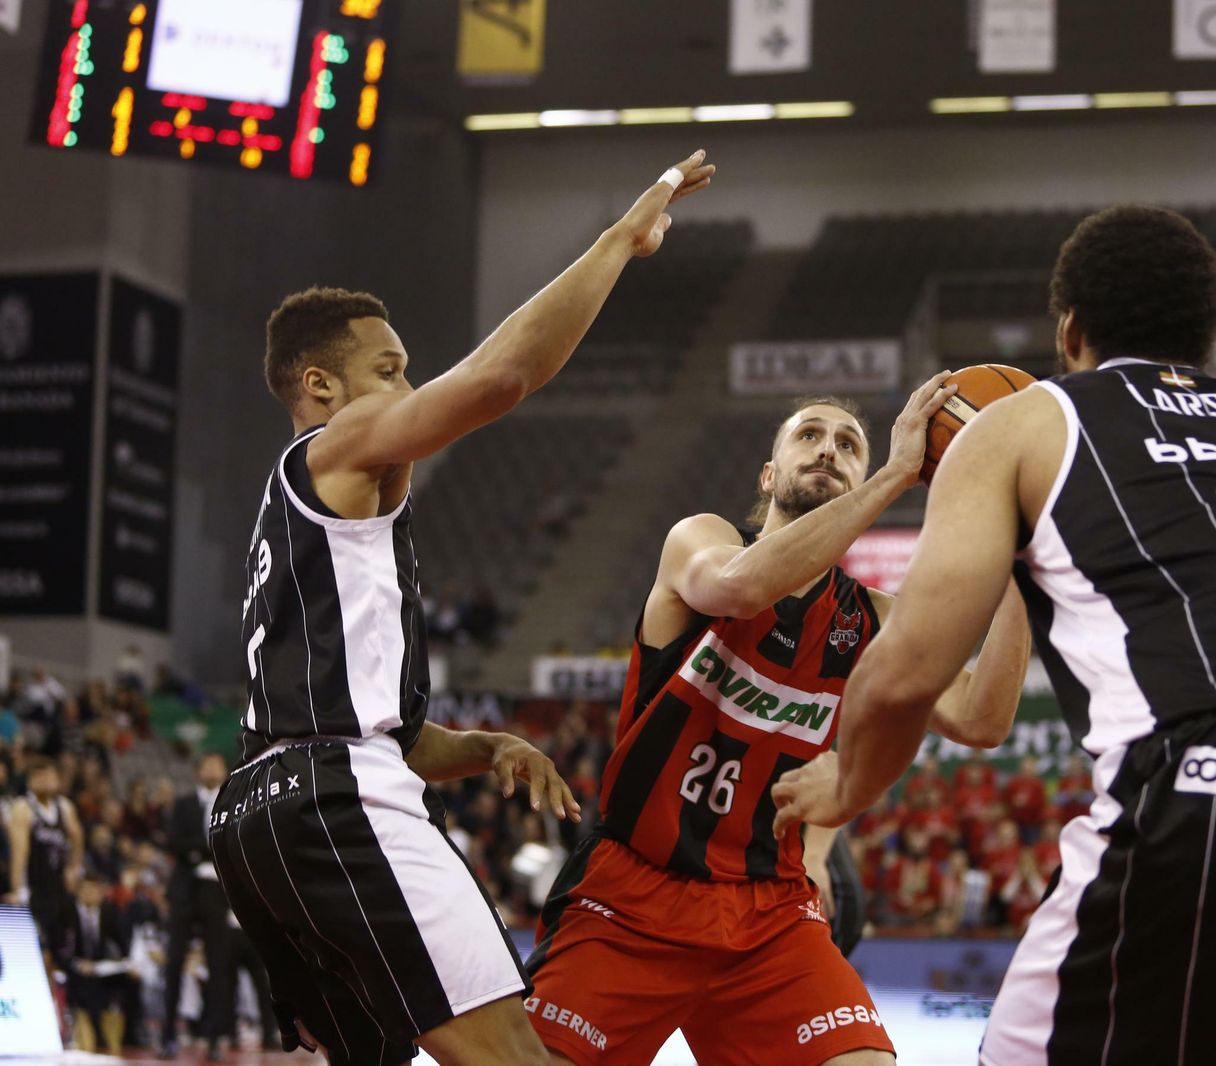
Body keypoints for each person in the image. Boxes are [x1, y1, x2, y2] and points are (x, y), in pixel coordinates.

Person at [773, 205, 1216, 1065]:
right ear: (1206, 335)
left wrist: (846, 786)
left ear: (1070, 330)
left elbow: (902, 675)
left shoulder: (1030, 420)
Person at [208, 148, 716, 1066]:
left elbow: (380, 730)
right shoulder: (339, 444)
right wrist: (618, 241)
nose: (410, 392)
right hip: (334, 797)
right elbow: (497, 381)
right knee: (516, 1056)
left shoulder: (297, 518)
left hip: (256, 811)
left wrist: (484, 747)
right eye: (391, 370)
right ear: (321, 386)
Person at [524, 387, 1032, 1065]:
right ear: (769, 475)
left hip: (769, 913)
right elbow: (739, 589)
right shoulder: (701, 541)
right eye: (809, 436)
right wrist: (893, 475)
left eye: (849, 445)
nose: (828, 450)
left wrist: (1024, 564)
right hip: (632, 896)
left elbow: (981, 718)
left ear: (856, 479)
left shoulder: (870, 620)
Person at [160, 751, 233, 1060]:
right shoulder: (184, 804)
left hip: (216, 891)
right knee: (175, 961)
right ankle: (167, 1034)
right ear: (198, 770)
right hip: (184, 891)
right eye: (207, 764)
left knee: (218, 963)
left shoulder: (231, 803)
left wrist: (198, 851)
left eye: (217, 764)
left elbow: (231, 842)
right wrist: (205, 849)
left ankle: (215, 1036)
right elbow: (173, 842)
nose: (212, 769)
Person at [5, 757, 83, 947]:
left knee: (64, 945)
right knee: (38, 947)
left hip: (59, 887)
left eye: (48, 775)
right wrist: (18, 889)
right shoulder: (23, 808)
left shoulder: (64, 807)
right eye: (38, 776)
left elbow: (78, 837)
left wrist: (74, 868)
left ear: (57, 779)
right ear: (29, 781)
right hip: (35, 888)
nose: (44, 780)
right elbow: (19, 853)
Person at [58, 871, 137, 1054]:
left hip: (100, 967)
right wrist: (78, 964)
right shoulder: (66, 912)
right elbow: (60, 949)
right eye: (87, 890)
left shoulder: (109, 912)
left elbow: (122, 944)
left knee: (129, 982)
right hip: (74, 967)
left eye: (95, 890)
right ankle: (88, 1036)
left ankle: (122, 1037)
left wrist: (128, 964)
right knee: (84, 985)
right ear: (79, 891)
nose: (91, 894)